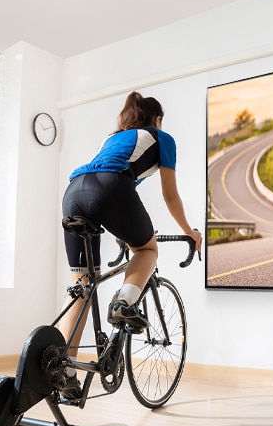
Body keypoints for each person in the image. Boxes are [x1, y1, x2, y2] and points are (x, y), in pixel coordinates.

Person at [58, 91, 203, 400]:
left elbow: (102, 188)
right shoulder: (161, 137)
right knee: (147, 250)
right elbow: (169, 195)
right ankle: (123, 303)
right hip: (108, 188)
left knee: (83, 287)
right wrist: (189, 231)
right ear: (158, 119)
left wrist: (122, 231)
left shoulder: (114, 139)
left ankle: (63, 370)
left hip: (73, 193)